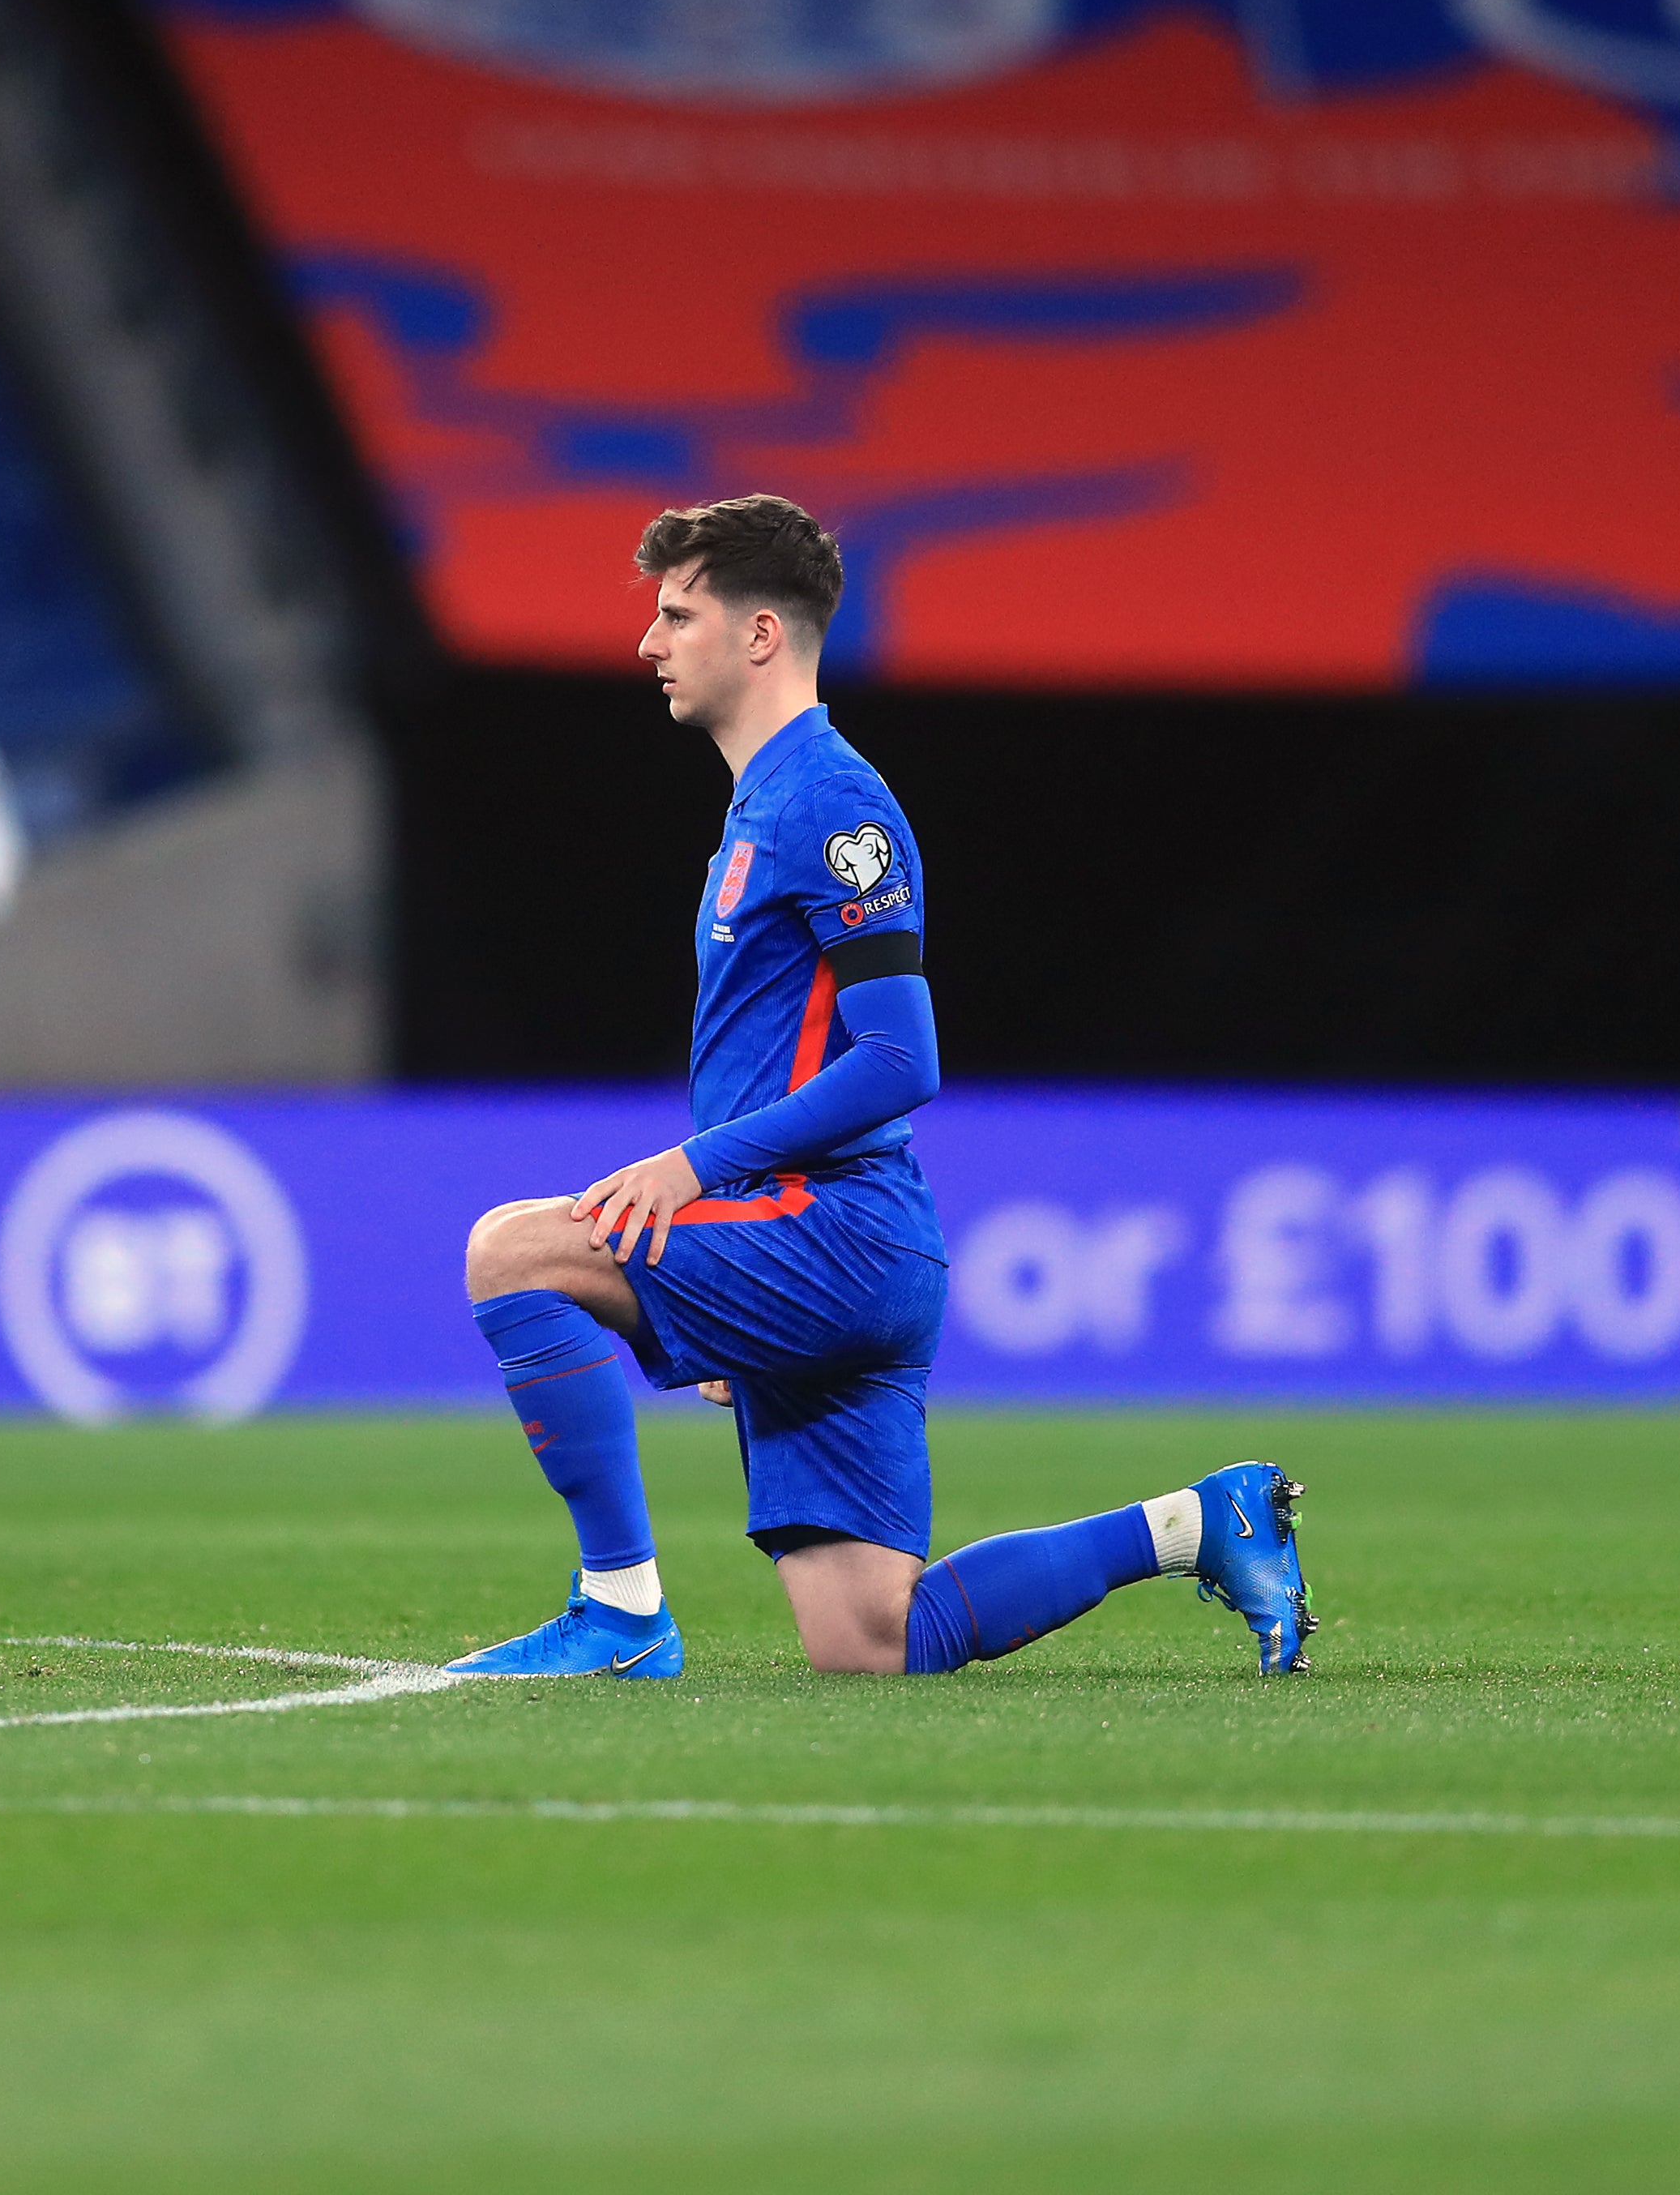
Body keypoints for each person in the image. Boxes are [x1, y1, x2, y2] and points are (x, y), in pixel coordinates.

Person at [442, 494, 1314, 1680]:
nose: (649, 643)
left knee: (512, 1251)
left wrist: (694, 1172)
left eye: (676, 614)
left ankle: (621, 1613)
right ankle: (1196, 1523)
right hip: (822, 1247)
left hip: (834, 1233)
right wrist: (722, 1283)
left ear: (759, 634)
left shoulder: (833, 804)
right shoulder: (763, 805)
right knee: (871, 1640)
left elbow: (904, 1059)